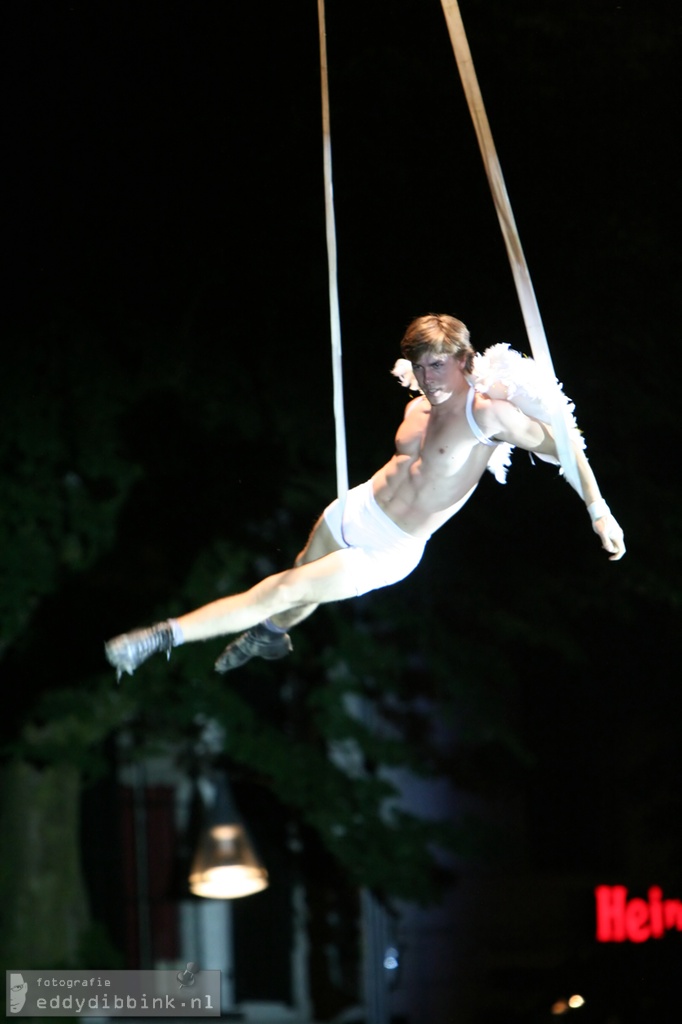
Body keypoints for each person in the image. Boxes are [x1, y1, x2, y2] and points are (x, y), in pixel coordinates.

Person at [105, 314, 625, 678]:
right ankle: (269, 637)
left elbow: (566, 448)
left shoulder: (488, 416)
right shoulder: (420, 407)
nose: (428, 378)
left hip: (388, 550)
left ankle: (160, 637)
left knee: (286, 589)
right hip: (357, 506)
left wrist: (598, 511)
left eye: (439, 366)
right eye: (420, 368)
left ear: (466, 360)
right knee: (300, 579)